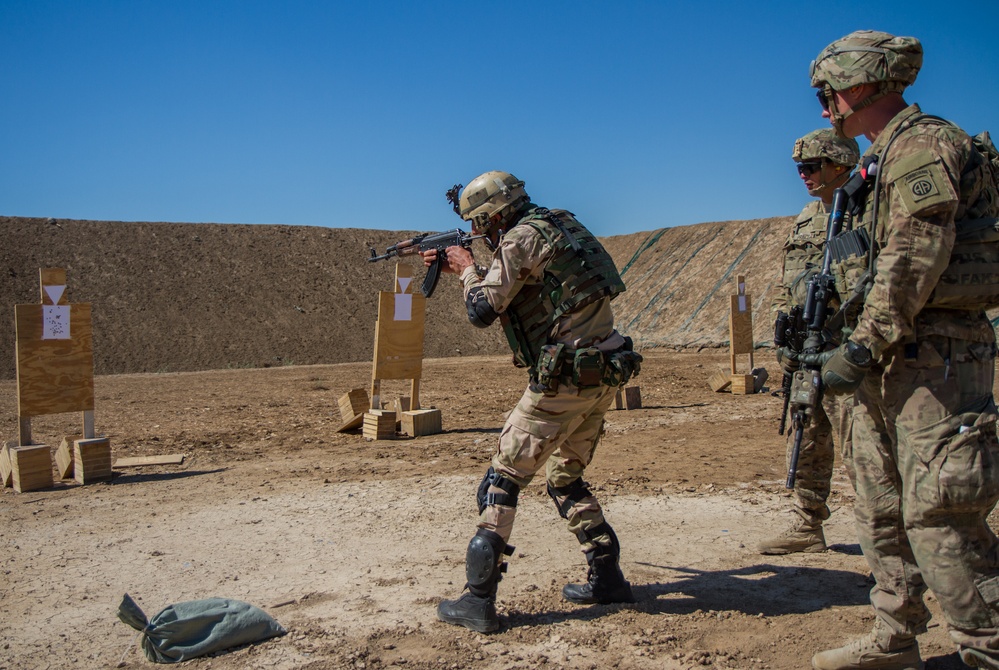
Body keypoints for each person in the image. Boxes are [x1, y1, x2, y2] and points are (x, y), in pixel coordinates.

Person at [802, 30, 999, 669]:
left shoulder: (924, 144)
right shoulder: (875, 162)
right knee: (880, 508)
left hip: (935, 356)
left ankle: (989, 649)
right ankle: (896, 637)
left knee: (943, 512)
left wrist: (860, 347)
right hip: (890, 358)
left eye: (829, 87)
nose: (823, 101)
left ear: (861, 84)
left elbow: (914, 256)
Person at [423, 171, 643, 634]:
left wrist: (464, 268)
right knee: (565, 478)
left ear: (495, 214)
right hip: (603, 370)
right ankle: (607, 578)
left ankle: (477, 601)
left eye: (481, 223)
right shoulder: (559, 224)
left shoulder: (520, 238)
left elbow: (482, 310)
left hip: (563, 378)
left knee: (500, 482)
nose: (480, 232)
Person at [760, 129, 860, 555]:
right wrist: (783, 336)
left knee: (863, 445)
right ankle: (807, 523)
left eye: (811, 167)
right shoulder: (807, 217)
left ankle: (890, 535)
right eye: (799, 168)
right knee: (807, 435)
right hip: (807, 347)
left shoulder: (866, 214)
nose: (803, 175)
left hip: (849, 348)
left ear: (840, 165)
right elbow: (789, 284)